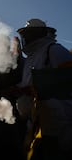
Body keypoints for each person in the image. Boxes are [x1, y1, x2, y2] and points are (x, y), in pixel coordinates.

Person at [15, 18, 72, 159]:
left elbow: (68, 78)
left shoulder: (53, 49)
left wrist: (38, 87)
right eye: (26, 34)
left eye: (30, 34)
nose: (27, 38)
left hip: (58, 120)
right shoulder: (29, 59)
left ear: (39, 33)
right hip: (36, 121)